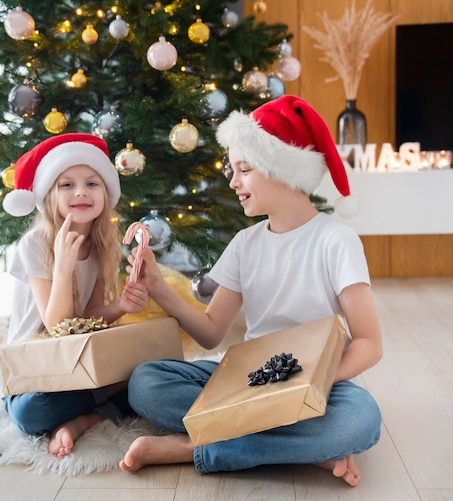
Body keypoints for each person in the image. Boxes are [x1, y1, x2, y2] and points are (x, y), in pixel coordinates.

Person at [120, 95, 383, 487]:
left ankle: (192, 448)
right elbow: (211, 333)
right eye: (233, 169)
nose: (233, 180)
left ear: (283, 169)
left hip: (321, 380)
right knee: (146, 382)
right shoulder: (246, 242)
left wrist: (310, 388)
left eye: (244, 169)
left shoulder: (336, 241)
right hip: (247, 378)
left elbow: (369, 343)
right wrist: (157, 285)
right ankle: (304, 449)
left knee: (359, 421)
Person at [0, 133, 148, 458]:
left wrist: (120, 306)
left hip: (75, 366)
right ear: (50, 195)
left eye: (92, 183)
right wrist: (63, 268)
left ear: (106, 193)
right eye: (67, 185)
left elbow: (87, 321)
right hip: (33, 375)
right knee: (31, 414)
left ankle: (84, 419)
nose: (80, 191)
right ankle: (100, 407)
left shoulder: (103, 245)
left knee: (148, 374)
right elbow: (58, 325)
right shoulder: (35, 243)